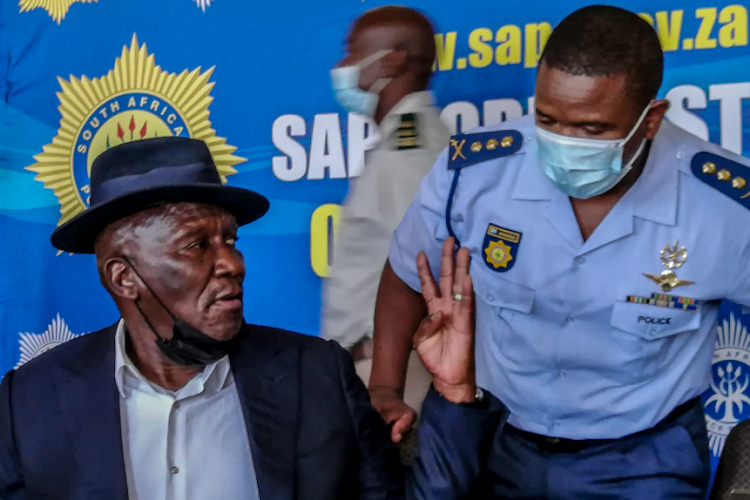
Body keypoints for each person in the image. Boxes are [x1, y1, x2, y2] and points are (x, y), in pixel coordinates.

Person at [369, 5, 750, 498]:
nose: (564, 142)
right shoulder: (476, 174)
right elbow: (406, 270)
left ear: (650, 119)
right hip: (493, 436)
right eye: (547, 119)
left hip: (644, 457)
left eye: (592, 130)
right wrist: (384, 385)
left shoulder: (724, 205)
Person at [0, 137, 506, 500]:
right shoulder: (31, 404)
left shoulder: (318, 377)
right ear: (123, 276)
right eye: (198, 245)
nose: (233, 264)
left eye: (231, 241)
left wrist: (456, 392)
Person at [323, 5, 449, 445]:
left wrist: (385, 380)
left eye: (353, 54)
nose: (342, 69)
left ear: (392, 61)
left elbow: (422, 271)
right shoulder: (398, 144)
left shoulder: (408, 155)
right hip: (380, 369)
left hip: (393, 373)